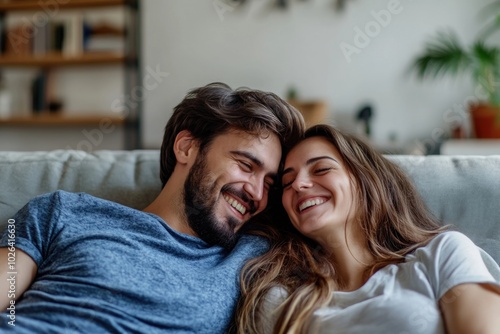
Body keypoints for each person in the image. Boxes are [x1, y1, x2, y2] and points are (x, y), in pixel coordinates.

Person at [0, 82, 305, 333]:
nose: (257, 192)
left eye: (269, 183)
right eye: (245, 164)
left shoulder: (253, 255)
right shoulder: (61, 211)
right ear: (186, 147)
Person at [236, 124, 500, 334]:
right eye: (287, 181)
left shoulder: (443, 252)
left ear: (365, 181)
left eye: (322, 169)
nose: (299, 184)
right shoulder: (281, 295)